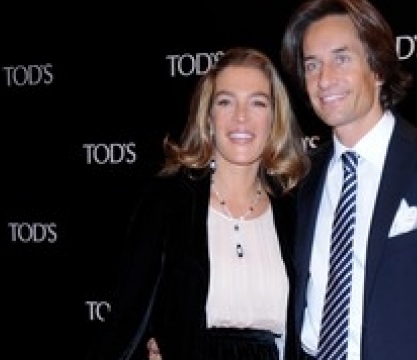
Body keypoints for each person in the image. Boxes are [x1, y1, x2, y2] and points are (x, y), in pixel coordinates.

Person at [279, 0, 417, 360]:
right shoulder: (303, 177)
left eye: (341, 58)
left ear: (377, 68)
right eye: (312, 65)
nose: (324, 79)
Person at [85, 46, 311, 360]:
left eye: (258, 103)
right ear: (208, 117)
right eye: (225, 101)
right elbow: (127, 320)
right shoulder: (168, 200)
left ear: (275, 119)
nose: (241, 117)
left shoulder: (294, 210)